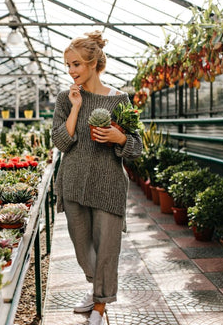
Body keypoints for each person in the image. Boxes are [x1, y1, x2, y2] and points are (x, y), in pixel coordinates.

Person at [51, 31, 143, 325]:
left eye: (76, 64)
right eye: (68, 65)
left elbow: (137, 147)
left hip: (108, 185)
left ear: (92, 63)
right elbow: (62, 142)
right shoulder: (66, 98)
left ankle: (101, 305)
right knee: (82, 247)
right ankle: (96, 289)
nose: (71, 70)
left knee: (106, 250)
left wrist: (119, 137)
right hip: (74, 182)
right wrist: (77, 107)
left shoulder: (120, 100)